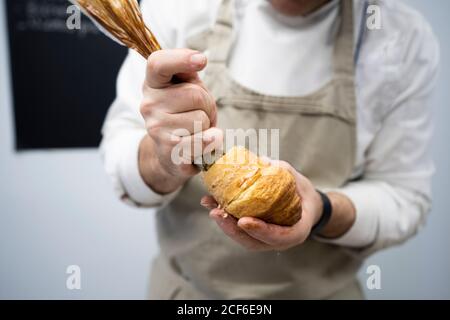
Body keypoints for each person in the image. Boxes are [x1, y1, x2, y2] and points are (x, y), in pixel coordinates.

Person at [100, 0, 440, 299]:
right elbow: (120, 158)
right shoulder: (181, 7)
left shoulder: (400, 40)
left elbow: (404, 198)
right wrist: (163, 159)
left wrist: (321, 210)